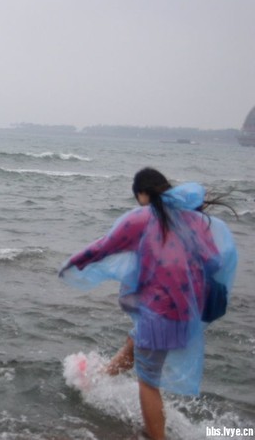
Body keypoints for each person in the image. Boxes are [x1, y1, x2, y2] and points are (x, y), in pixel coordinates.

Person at [59, 167, 238, 440]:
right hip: (186, 313)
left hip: (158, 314)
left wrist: (73, 264)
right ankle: (100, 379)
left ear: (143, 194)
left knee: (148, 382)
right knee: (135, 343)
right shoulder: (195, 220)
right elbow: (213, 262)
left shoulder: (142, 217)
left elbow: (105, 246)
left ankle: (157, 437)